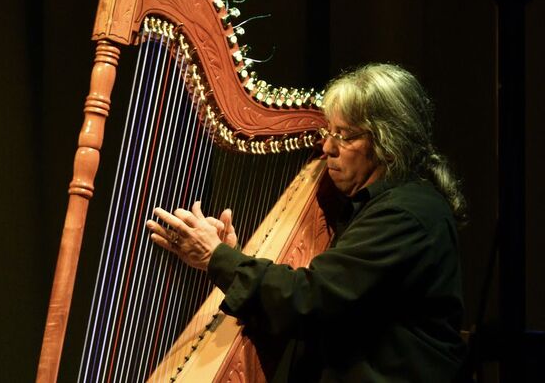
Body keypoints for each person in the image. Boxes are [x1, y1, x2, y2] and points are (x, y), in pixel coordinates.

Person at [147, 63, 467, 382]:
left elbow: (311, 301)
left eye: (344, 136)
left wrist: (218, 258)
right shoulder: (380, 205)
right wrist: (233, 257)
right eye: (330, 132)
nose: (328, 148)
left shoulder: (406, 214)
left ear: (387, 142)